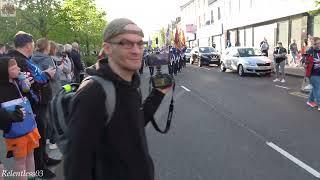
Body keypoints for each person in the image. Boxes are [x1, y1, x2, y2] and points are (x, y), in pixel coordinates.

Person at [65, 18, 172, 180]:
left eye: (140, 44)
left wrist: (158, 94)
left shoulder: (131, 82)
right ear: (107, 48)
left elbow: (135, 124)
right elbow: (77, 167)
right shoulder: (92, 93)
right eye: (127, 44)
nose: (136, 50)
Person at [7, 31, 58, 179]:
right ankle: (39, 168)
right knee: (36, 138)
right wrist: (47, 74)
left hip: (36, 103)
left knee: (40, 135)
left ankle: (43, 159)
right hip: (33, 105)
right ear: (29, 45)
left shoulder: (21, 59)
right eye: (33, 44)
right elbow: (37, 79)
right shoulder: (18, 61)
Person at [0, 57, 40, 180]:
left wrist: (28, 88)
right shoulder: (2, 89)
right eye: (13, 67)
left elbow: (33, 101)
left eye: (17, 66)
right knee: (20, 161)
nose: (18, 68)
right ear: (3, 71)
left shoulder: (18, 82)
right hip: (15, 131)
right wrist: (12, 116)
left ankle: (32, 177)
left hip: (29, 126)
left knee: (30, 155)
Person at [306, 37, 320, 110]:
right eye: (316, 44)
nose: (318, 45)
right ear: (312, 44)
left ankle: (310, 100)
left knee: (315, 88)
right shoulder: (310, 52)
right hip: (313, 74)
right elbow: (304, 62)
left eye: (319, 43)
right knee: (318, 88)